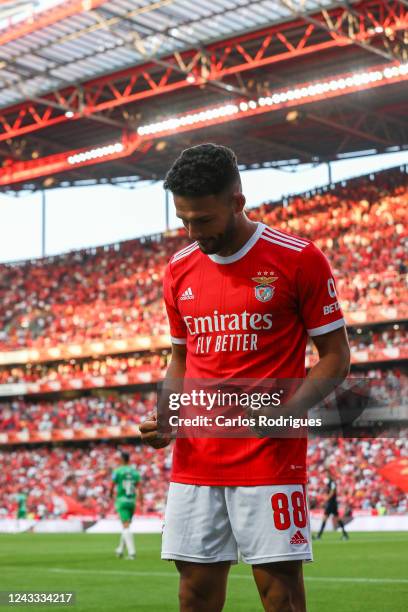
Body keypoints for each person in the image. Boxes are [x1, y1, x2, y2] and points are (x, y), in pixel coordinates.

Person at [140, 143, 350, 612]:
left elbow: (336, 357)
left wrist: (288, 412)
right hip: (196, 455)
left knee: (280, 593)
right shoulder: (178, 270)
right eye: (184, 221)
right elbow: (181, 357)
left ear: (237, 201)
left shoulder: (298, 259)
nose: (193, 233)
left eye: (204, 220)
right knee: (193, 591)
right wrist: (168, 415)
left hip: (267, 455)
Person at [110, 450, 143, 560]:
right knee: (126, 525)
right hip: (131, 501)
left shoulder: (118, 471)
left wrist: (110, 495)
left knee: (125, 526)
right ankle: (120, 549)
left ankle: (132, 553)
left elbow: (111, 485)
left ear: (122, 459)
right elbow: (139, 488)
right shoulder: (135, 472)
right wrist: (141, 501)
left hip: (122, 500)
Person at [315, 470, 349, 540]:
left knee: (325, 518)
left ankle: (319, 536)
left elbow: (333, 491)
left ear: (330, 474)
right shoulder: (329, 483)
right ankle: (345, 534)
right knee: (337, 518)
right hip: (332, 503)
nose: (326, 475)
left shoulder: (332, 482)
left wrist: (327, 498)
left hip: (331, 503)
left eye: (327, 473)